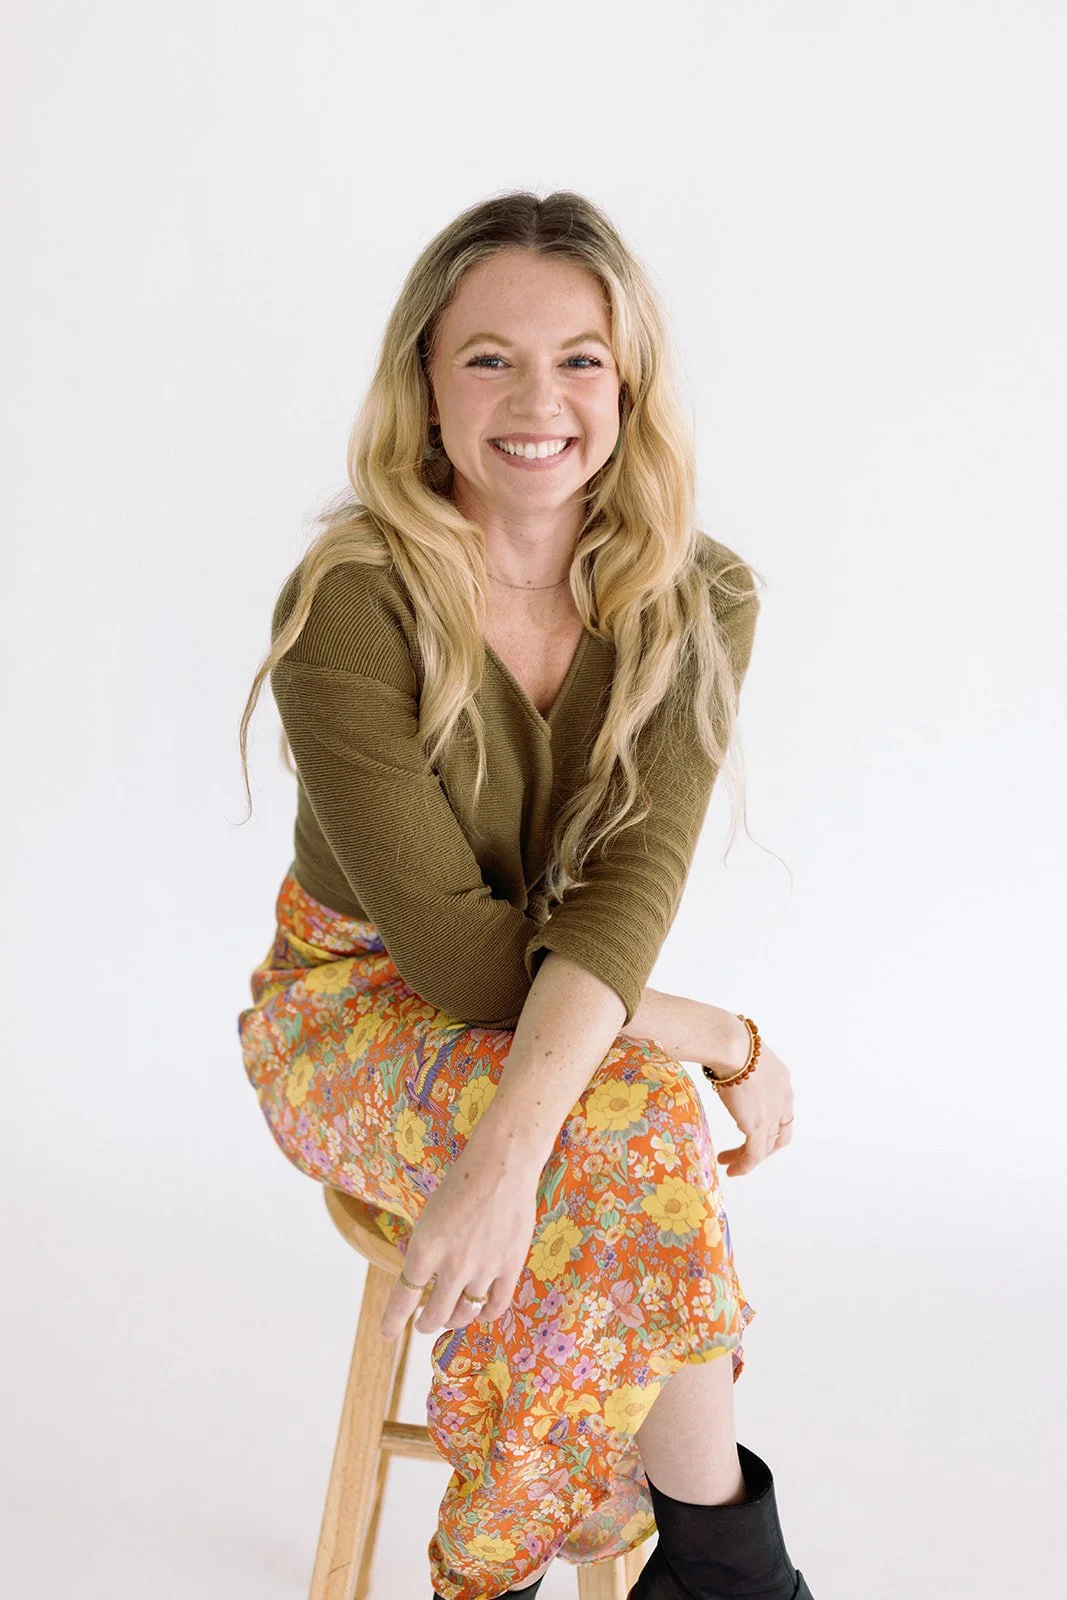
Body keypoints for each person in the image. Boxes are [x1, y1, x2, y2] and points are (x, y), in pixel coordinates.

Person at [236, 190, 813, 1600]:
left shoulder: (699, 596)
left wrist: (516, 1144)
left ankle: (544, 1572)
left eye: (579, 359)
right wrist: (703, 1033)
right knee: (630, 1126)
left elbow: (628, 883)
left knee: (612, 1146)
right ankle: (722, 1561)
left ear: (628, 386)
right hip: (354, 1013)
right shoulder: (353, 598)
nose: (536, 398)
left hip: (553, 1008)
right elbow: (443, 949)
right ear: (424, 383)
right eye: (488, 356)